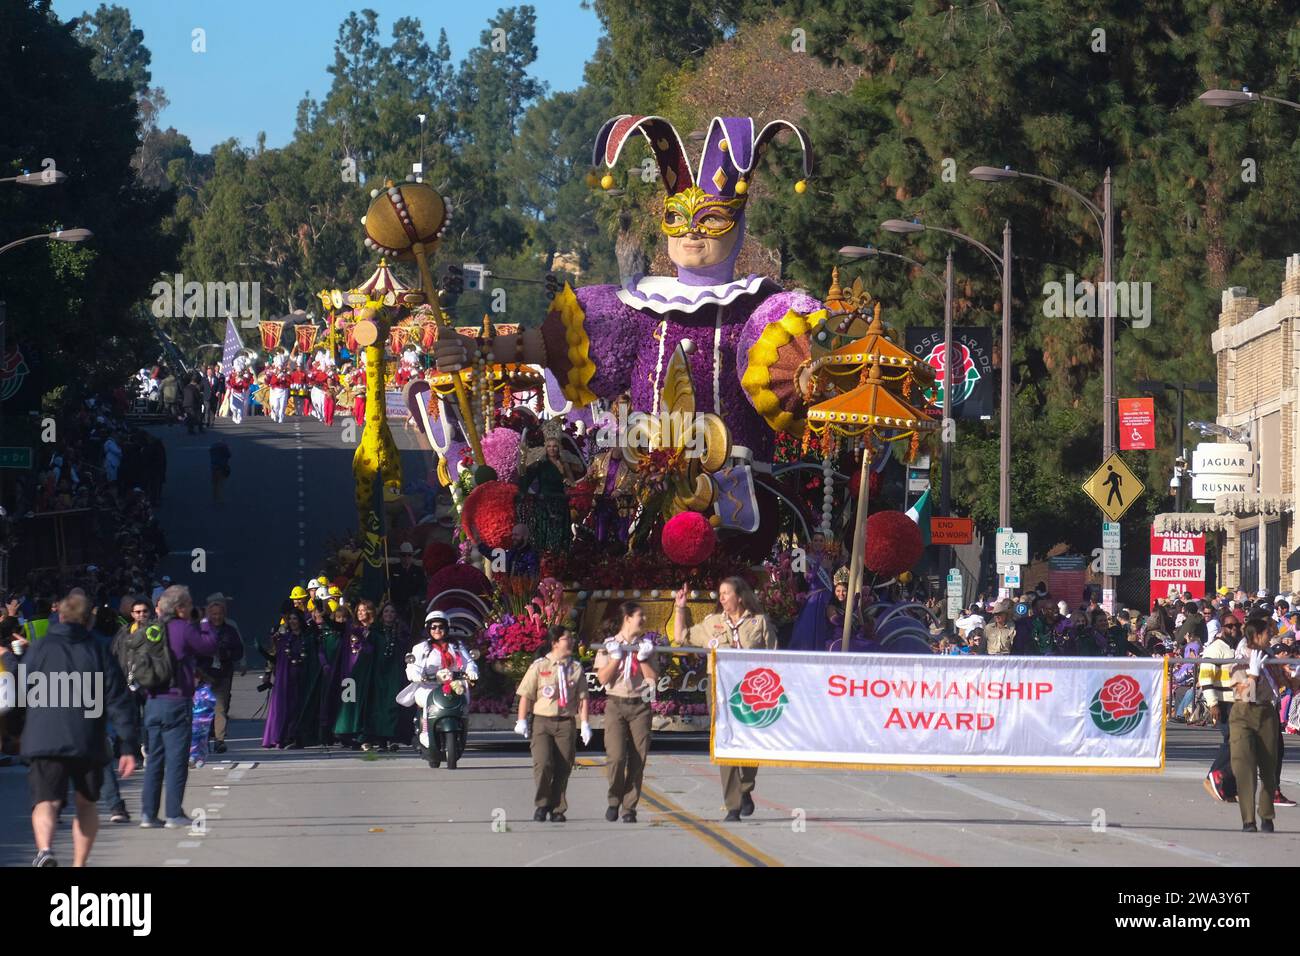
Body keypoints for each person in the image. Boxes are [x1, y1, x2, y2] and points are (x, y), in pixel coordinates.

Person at [21, 590, 140, 867]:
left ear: (59, 616)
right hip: (87, 738)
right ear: (89, 621)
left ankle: (46, 849)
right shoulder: (98, 650)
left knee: (45, 801)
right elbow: (118, 701)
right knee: (86, 803)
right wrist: (127, 745)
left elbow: (18, 690)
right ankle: (79, 863)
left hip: (44, 737)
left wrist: (17, 731)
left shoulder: (39, 648)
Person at [675, 577, 776, 821]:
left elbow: (775, 656)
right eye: (719, 593)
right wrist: (680, 607)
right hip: (719, 688)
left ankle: (745, 788)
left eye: (726, 593)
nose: (721, 597)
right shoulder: (712, 623)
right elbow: (681, 637)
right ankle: (732, 804)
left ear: (740, 596)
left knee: (751, 741)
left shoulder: (759, 622)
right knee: (726, 741)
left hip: (751, 691)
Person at [139, 585, 219, 828]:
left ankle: (148, 814)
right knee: (176, 759)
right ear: (180, 608)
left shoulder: (151, 629)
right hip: (176, 700)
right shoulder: (182, 629)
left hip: (152, 701)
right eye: (189, 604)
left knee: (154, 760)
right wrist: (204, 622)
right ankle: (173, 813)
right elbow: (209, 645)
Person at [515, 625, 591, 822]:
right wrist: (522, 720)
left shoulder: (575, 668)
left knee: (563, 767)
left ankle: (557, 808)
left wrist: (585, 724)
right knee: (542, 764)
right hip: (542, 722)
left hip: (565, 723)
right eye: (567, 639)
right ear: (555, 642)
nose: (571, 642)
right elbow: (526, 695)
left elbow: (583, 698)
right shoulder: (540, 666)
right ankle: (542, 804)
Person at [593, 601, 657, 823]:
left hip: (640, 704)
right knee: (617, 756)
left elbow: (652, 680)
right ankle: (614, 800)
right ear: (627, 618)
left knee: (638, 758)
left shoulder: (646, 645)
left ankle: (629, 807)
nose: (644, 620)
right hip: (616, 703)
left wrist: (642, 659)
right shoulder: (609, 645)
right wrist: (615, 658)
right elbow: (602, 679)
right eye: (640, 615)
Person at [1229, 618, 1287, 831]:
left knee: (1269, 767)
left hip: (1266, 712)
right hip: (1243, 713)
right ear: (1255, 636)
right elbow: (1246, 695)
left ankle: (1267, 815)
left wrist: (1293, 675)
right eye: (1266, 633)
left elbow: (1284, 685)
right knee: (1244, 766)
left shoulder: (1269, 657)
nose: (1270, 636)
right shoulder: (1240, 660)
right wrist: (1253, 672)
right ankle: (1248, 819)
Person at [199, 593, 243, 754]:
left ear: (224, 614)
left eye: (219, 614)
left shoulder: (230, 630)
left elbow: (239, 650)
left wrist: (226, 654)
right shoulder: (201, 630)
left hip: (223, 674)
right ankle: (203, 740)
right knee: (203, 709)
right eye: (214, 614)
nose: (217, 617)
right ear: (209, 614)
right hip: (205, 675)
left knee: (221, 708)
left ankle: (219, 740)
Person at [365, 602, 410, 750]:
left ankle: (393, 738)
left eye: (392, 612)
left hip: (395, 671)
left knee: (393, 703)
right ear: (381, 615)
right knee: (379, 706)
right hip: (379, 672)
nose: (389, 614)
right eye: (386, 612)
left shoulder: (402, 631)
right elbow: (368, 651)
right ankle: (381, 740)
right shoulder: (375, 631)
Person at [262, 609, 306, 749]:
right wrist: (268, 672)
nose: (293, 622)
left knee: (299, 708)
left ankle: (298, 737)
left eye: (295, 619)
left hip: (303, 677)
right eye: (290, 619)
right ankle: (286, 737)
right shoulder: (284, 639)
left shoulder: (308, 638)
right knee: (287, 708)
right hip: (288, 679)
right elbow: (275, 657)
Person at [389, 542, 427, 633]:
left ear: (412, 556)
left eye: (409, 555)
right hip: (396, 606)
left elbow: (424, 588)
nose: (406, 558)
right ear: (400, 556)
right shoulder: (392, 569)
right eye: (403, 555)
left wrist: (418, 597)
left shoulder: (418, 571)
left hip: (413, 607)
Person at [209, 438, 231, 503]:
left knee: (214, 484)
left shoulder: (212, 448)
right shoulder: (225, 448)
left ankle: (214, 497)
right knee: (221, 484)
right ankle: (221, 499)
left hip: (214, 467)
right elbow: (229, 455)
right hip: (222, 468)